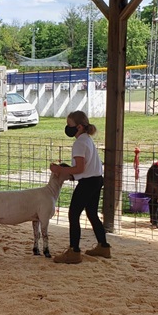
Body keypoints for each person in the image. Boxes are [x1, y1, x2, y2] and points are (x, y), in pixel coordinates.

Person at [49, 110, 110, 264]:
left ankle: (74, 251)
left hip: (87, 183)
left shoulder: (79, 143)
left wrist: (60, 170)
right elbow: (85, 167)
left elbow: (80, 168)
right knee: (92, 213)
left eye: (70, 125)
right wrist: (69, 171)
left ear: (80, 127)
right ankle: (103, 246)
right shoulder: (87, 139)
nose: (67, 128)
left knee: (73, 214)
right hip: (96, 180)